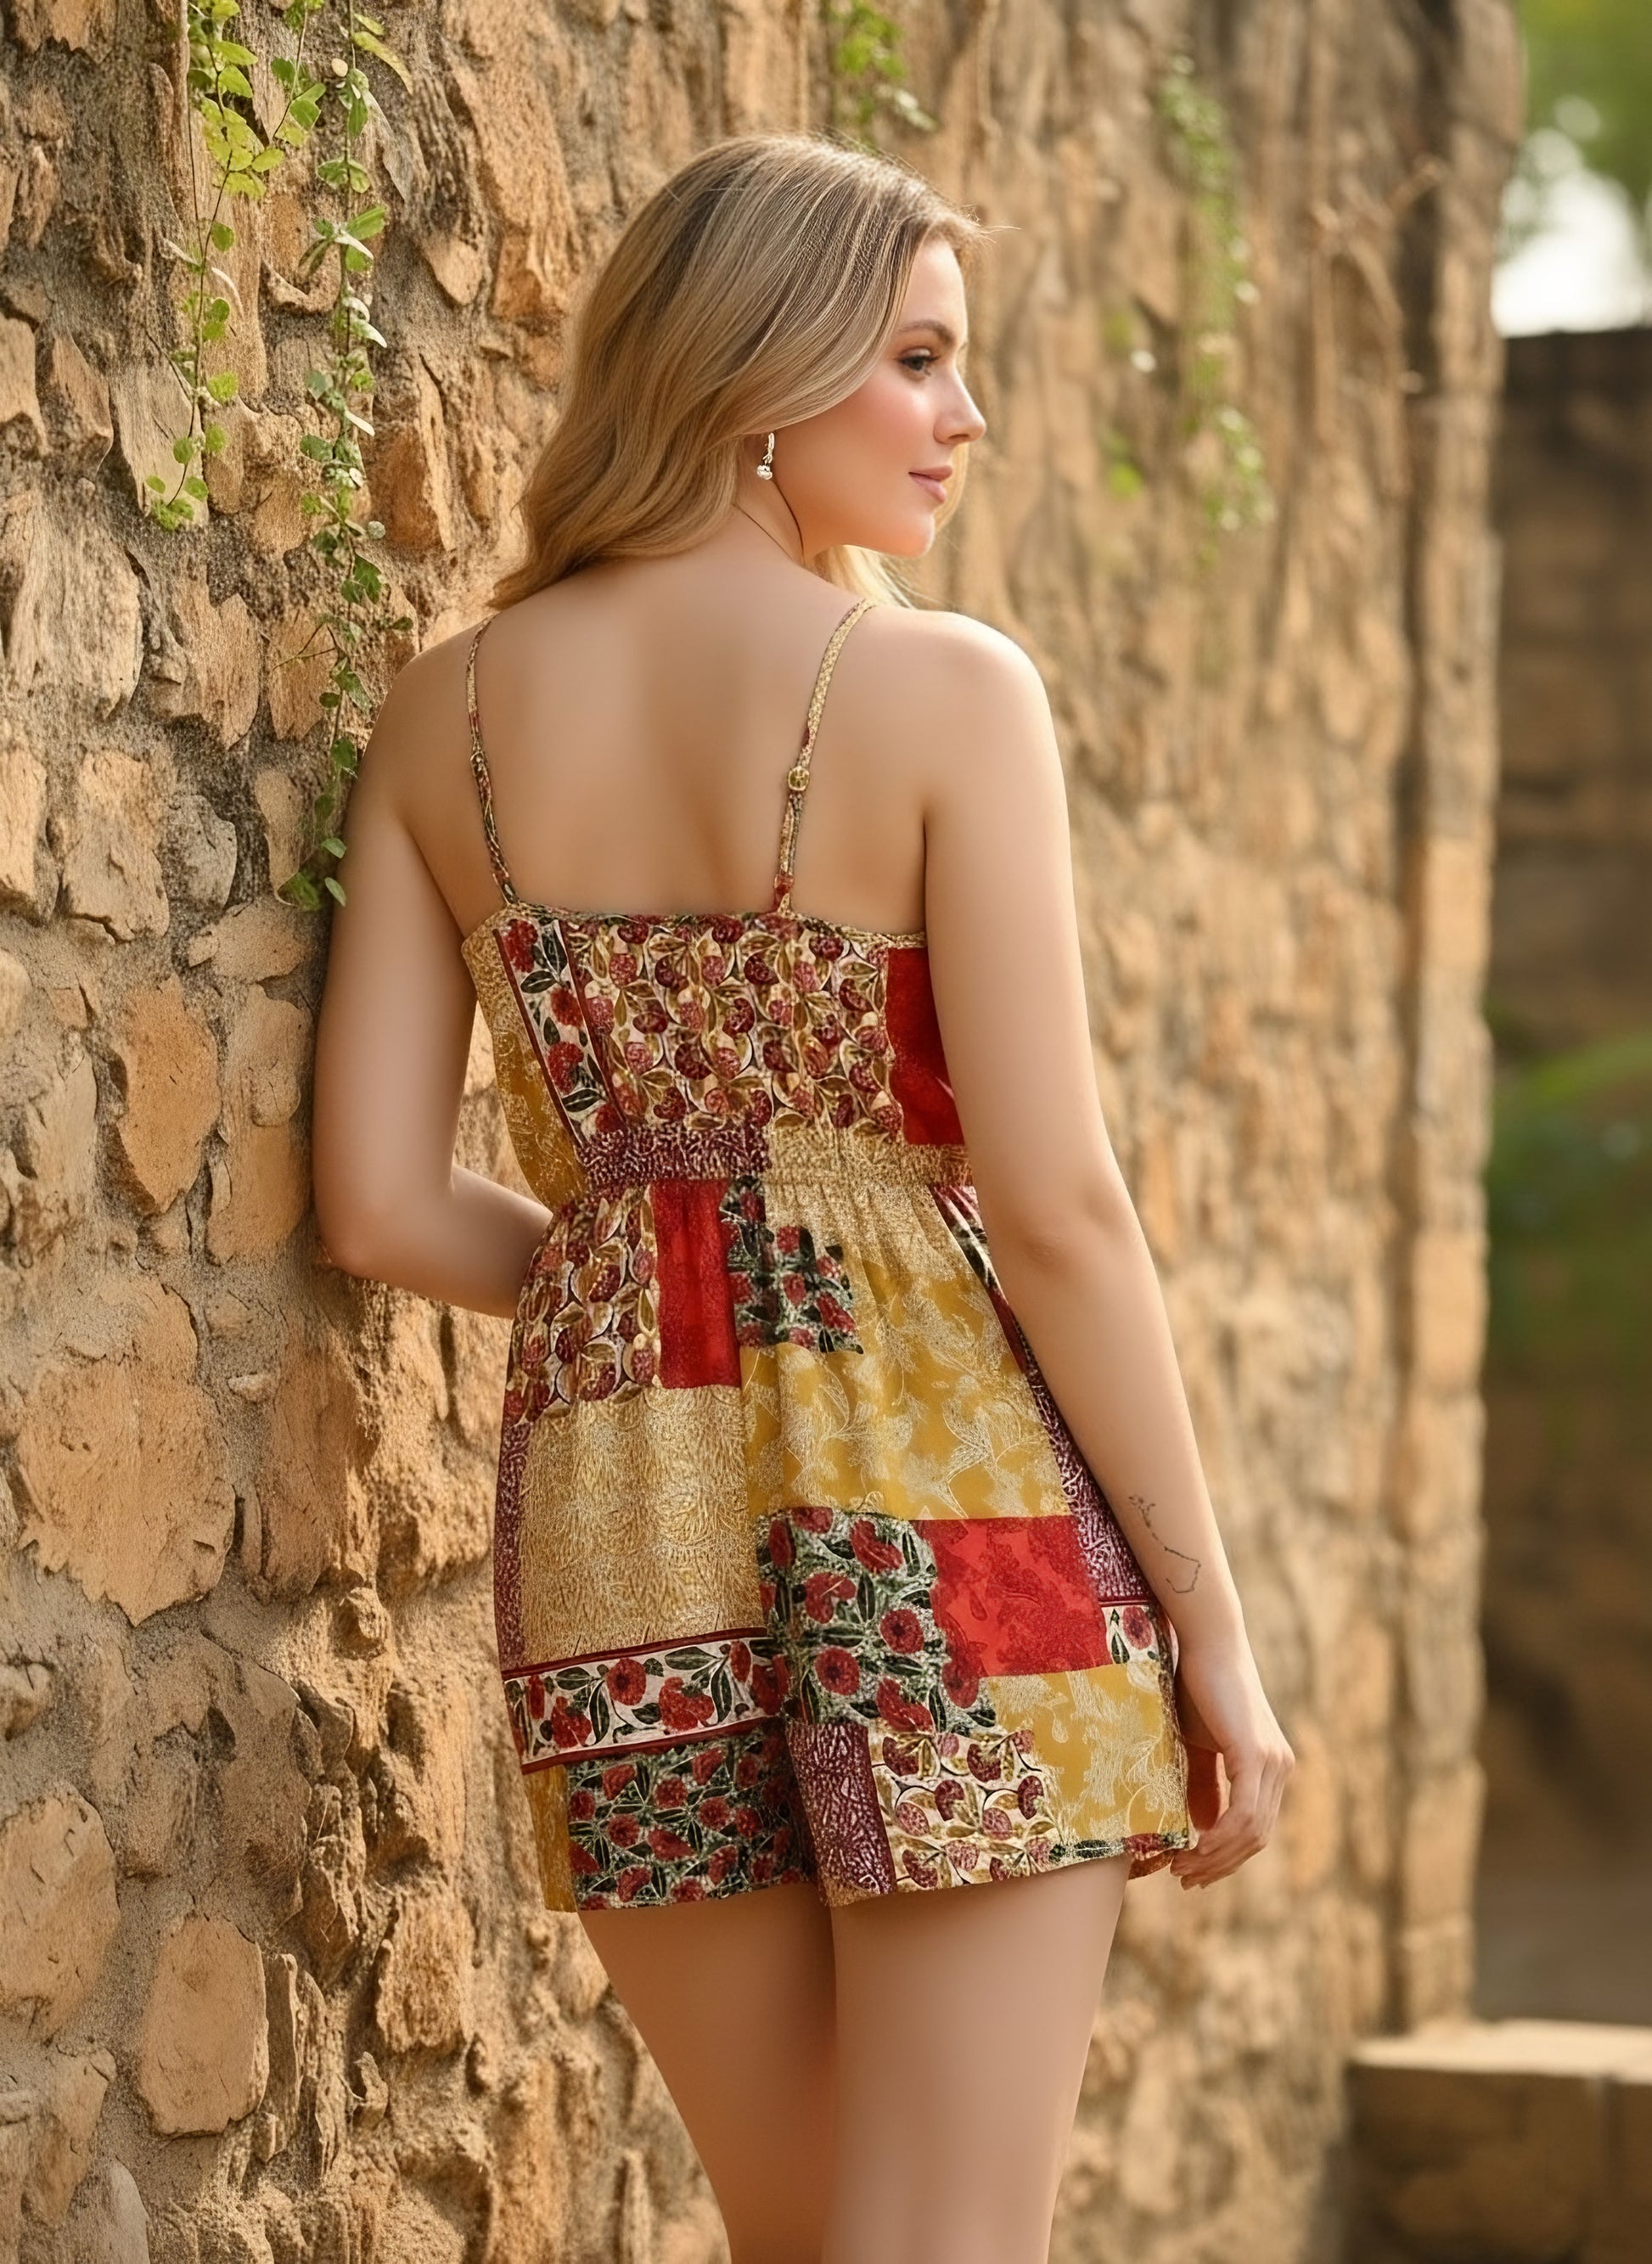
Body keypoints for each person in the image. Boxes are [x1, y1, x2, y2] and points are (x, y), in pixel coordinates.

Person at [312, 128, 1293, 2264]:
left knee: (804, 2233)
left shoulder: (439, 716)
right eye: (918, 359)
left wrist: (650, 1285)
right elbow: (1055, 1206)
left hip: (619, 1542)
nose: (966, 414)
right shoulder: (943, 689)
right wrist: (1210, 1629)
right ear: (759, 365)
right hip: (968, 1531)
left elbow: (377, 1203)